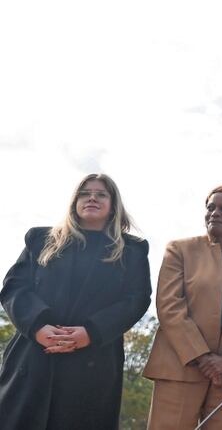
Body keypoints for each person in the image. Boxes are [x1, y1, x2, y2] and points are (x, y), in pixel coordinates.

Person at [0, 173, 152, 429]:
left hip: (93, 361)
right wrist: (37, 327)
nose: (92, 197)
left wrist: (91, 333)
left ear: (113, 205)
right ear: (75, 202)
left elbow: (136, 299)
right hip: (34, 355)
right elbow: (15, 286)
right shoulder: (40, 239)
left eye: (101, 194)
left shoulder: (132, 250)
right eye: (85, 193)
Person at [143, 183, 222, 430]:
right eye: (210, 207)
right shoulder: (179, 250)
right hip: (180, 368)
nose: (215, 212)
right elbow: (169, 306)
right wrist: (202, 357)